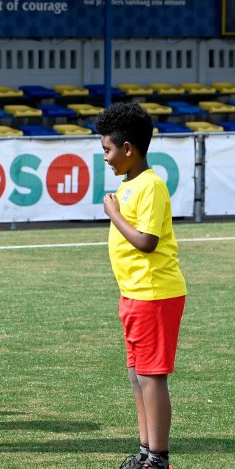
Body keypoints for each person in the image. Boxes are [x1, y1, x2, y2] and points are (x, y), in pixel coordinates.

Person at [96, 103, 186, 469]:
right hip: (134, 294)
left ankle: (158, 457)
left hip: (154, 293)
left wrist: (114, 215)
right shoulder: (129, 185)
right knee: (137, 375)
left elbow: (147, 241)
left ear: (128, 149)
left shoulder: (151, 185)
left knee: (152, 377)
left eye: (107, 150)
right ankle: (146, 450)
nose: (105, 157)